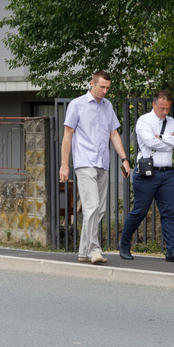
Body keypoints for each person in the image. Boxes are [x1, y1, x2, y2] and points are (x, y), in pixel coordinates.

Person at [60, 70, 131, 264]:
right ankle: (94, 249)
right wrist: (64, 165)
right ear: (92, 84)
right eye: (102, 87)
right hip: (84, 162)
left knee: (98, 209)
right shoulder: (77, 105)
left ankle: (84, 252)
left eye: (107, 88)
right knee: (91, 206)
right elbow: (67, 136)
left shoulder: (108, 106)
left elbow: (114, 134)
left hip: (103, 163)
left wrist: (124, 159)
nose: (105, 91)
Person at [119, 90, 174, 263]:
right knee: (140, 211)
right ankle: (124, 243)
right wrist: (170, 142)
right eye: (162, 108)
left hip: (167, 173)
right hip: (147, 174)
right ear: (154, 104)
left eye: (167, 108)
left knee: (169, 213)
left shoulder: (171, 122)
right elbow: (150, 142)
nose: (165, 112)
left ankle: (172, 251)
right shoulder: (144, 121)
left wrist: (162, 138)